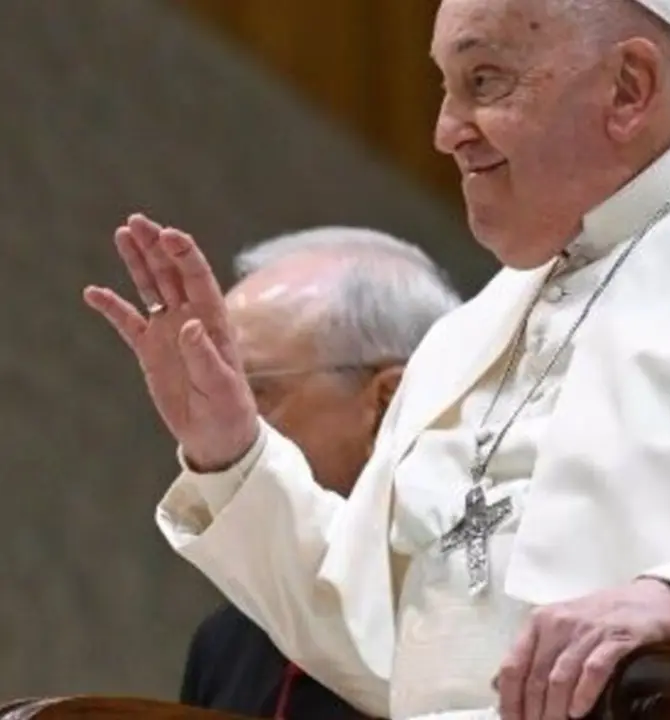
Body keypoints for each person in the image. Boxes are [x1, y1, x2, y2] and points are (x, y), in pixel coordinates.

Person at [84, 0, 670, 718]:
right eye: (442, 85)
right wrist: (229, 451)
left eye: (484, 81)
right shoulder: (476, 328)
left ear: (628, 88)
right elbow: (376, 648)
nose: (443, 129)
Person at [177, 227, 460, 719]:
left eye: (251, 393)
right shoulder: (225, 641)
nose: (215, 424)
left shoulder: (470, 602)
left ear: (386, 401)